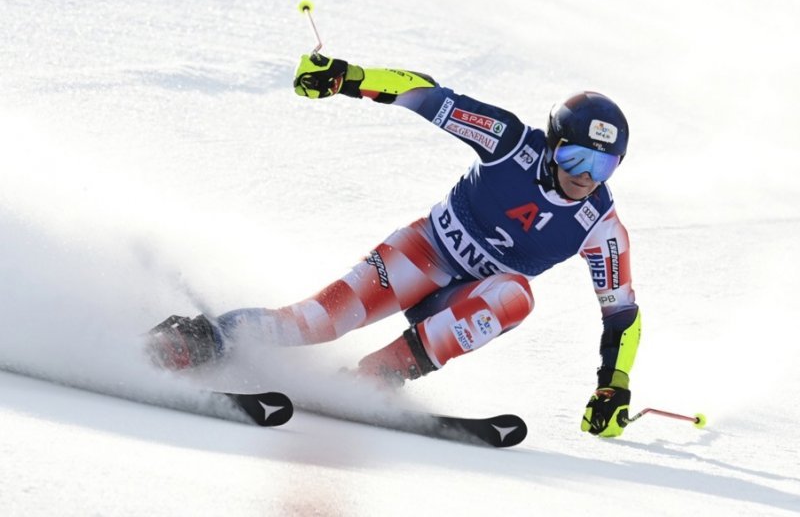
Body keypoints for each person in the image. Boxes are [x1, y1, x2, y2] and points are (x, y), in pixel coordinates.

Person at [147, 53, 642, 438]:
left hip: (463, 300)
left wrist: (612, 387)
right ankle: (198, 339)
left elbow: (621, 315)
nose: (584, 177)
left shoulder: (599, 224)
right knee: (315, 322)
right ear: (554, 144)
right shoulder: (509, 142)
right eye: (577, 158)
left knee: (516, 296)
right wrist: (347, 77)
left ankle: (375, 378)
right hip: (422, 256)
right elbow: (428, 96)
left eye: (602, 167)